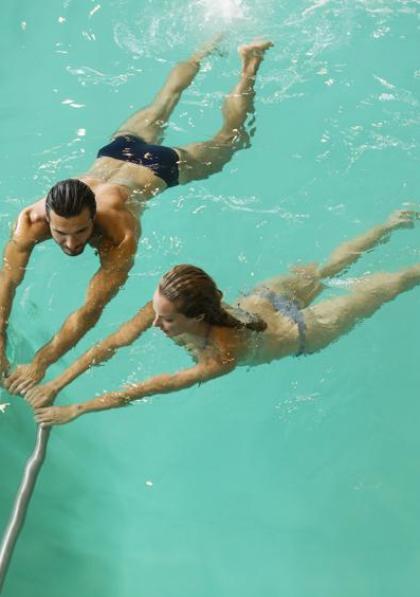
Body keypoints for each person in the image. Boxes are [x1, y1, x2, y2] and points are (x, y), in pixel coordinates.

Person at [1, 38, 273, 396]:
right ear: (47, 219)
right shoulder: (29, 221)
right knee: (166, 98)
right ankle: (203, 47)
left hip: (157, 166)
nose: (71, 243)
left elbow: (90, 310)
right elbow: (7, 283)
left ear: (93, 215)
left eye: (81, 231)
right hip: (117, 151)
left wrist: (41, 362)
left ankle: (248, 65)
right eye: (61, 233)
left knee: (230, 142)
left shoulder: (120, 233)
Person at [28, 209, 419, 426]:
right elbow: (111, 342)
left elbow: (150, 387)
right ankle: (390, 223)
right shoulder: (170, 298)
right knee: (326, 268)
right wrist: (57, 382)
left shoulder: (220, 355)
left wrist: (78, 409)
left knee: (389, 284)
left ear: (197, 315)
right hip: (268, 296)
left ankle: (402, 243)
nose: (154, 323)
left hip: (300, 330)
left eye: (167, 321)